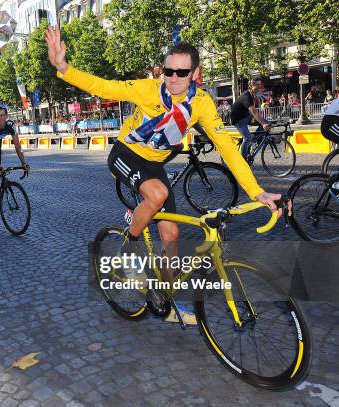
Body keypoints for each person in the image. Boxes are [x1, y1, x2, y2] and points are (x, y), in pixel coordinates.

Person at [46, 27, 284, 320]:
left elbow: (228, 148)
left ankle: (166, 300)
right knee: (157, 194)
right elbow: (105, 87)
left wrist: (256, 191)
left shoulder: (202, 104)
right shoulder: (147, 89)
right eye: (169, 70)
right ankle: (127, 248)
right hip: (125, 154)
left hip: (154, 164)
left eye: (181, 73)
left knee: (171, 235)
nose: (173, 78)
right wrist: (64, 68)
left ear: (195, 73)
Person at [230, 78, 272, 159]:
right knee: (247, 138)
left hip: (246, 117)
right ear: (250, 86)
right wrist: (263, 124)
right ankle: (244, 162)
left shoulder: (253, 95)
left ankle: (254, 139)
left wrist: (264, 122)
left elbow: (254, 113)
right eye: (256, 85)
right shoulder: (246, 96)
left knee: (267, 122)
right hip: (238, 120)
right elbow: (254, 112)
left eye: (260, 84)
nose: (258, 86)